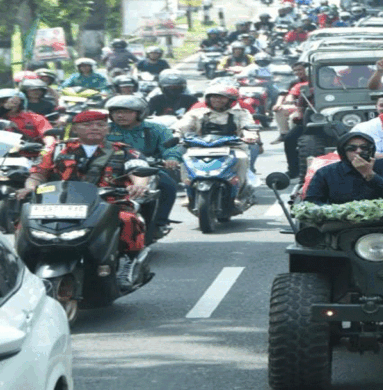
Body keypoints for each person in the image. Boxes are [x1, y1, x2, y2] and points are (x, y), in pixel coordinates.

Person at [16, 110, 151, 290]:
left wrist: (138, 185)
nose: (95, 128)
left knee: (127, 219)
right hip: (58, 204)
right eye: (88, 125)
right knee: (24, 223)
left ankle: (127, 263)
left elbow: (138, 171)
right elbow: (38, 174)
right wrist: (30, 187)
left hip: (108, 203)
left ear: (107, 129)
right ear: (75, 128)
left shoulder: (125, 151)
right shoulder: (56, 149)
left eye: (101, 125)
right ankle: (20, 268)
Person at [106, 95, 183, 235]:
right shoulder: (105, 129)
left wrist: (171, 158)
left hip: (147, 169)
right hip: (109, 170)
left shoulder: (156, 129)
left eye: (127, 112)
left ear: (140, 113)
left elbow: (169, 147)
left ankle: (160, 223)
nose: (120, 115)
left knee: (168, 185)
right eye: (116, 112)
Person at [172, 85, 261, 202]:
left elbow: (248, 126)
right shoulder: (196, 113)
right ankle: (189, 192)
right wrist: (175, 135)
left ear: (231, 100)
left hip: (233, 147)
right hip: (201, 146)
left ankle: (237, 193)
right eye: (214, 97)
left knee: (242, 158)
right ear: (208, 98)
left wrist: (250, 136)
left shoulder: (241, 113)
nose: (217, 100)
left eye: (222, 97)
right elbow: (182, 126)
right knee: (185, 158)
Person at [304, 132, 383, 205]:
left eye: (364, 148)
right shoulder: (326, 172)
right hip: (342, 223)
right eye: (352, 148)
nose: (358, 151)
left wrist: (370, 175)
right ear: (343, 152)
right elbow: (312, 201)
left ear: (371, 150)